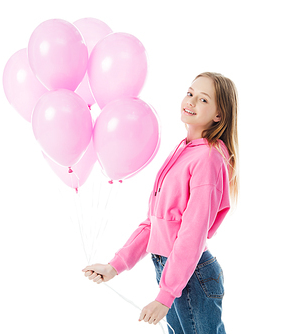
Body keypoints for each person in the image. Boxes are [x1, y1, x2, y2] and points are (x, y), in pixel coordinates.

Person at [82, 72, 239, 334]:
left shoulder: (208, 158)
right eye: (190, 93)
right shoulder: (185, 150)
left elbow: (192, 233)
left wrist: (165, 296)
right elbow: (156, 222)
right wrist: (114, 266)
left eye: (203, 100)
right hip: (175, 272)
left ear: (218, 115)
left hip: (192, 277)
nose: (190, 101)